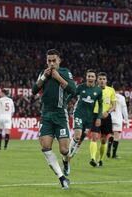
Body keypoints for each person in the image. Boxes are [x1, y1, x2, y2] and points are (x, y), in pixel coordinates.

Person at [32, 49, 76, 189]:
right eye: (49, 61)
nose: (51, 63)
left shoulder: (65, 72)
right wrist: (43, 77)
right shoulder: (43, 73)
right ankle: (62, 178)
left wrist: (58, 77)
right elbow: (34, 90)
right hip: (46, 115)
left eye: (54, 60)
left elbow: (73, 90)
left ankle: (66, 161)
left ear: (59, 61)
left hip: (60, 115)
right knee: (45, 147)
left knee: (64, 150)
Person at [67, 69, 102, 163]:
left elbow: (101, 105)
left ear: (95, 78)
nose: (90, 78)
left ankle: (70, 157)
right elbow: (71, 95)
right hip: (79, 114)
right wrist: (64, 104)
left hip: (89, 118)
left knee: (81, 139)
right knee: (77, 135)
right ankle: (67, 154)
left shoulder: (98, 90)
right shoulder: (81, 87)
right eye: (89, 76)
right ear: (86, 77)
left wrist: (98, 117)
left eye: (92, 76)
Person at [90, 72, 116, 167]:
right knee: (94, 137)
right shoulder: (93, 89)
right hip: (95, 115)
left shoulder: (111, 90)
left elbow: (114, 106)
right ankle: (92, 158)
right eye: (100, 79)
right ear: (97, 80)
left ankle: (100, 159)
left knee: (104, 140)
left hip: (106, 116)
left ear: (106, 80)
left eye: (103, 79)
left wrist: (108, 112)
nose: (102, 80)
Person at [107, 82, 129, 158]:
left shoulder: (109, 96)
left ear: (112, 87)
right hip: (118, 118)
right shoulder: (121, 98)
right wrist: (126, 120)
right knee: (116, 136)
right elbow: (124, 110)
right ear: (120, 89)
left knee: (111, 134)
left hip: (109, 118)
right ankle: (113, 154)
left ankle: (108, 149)